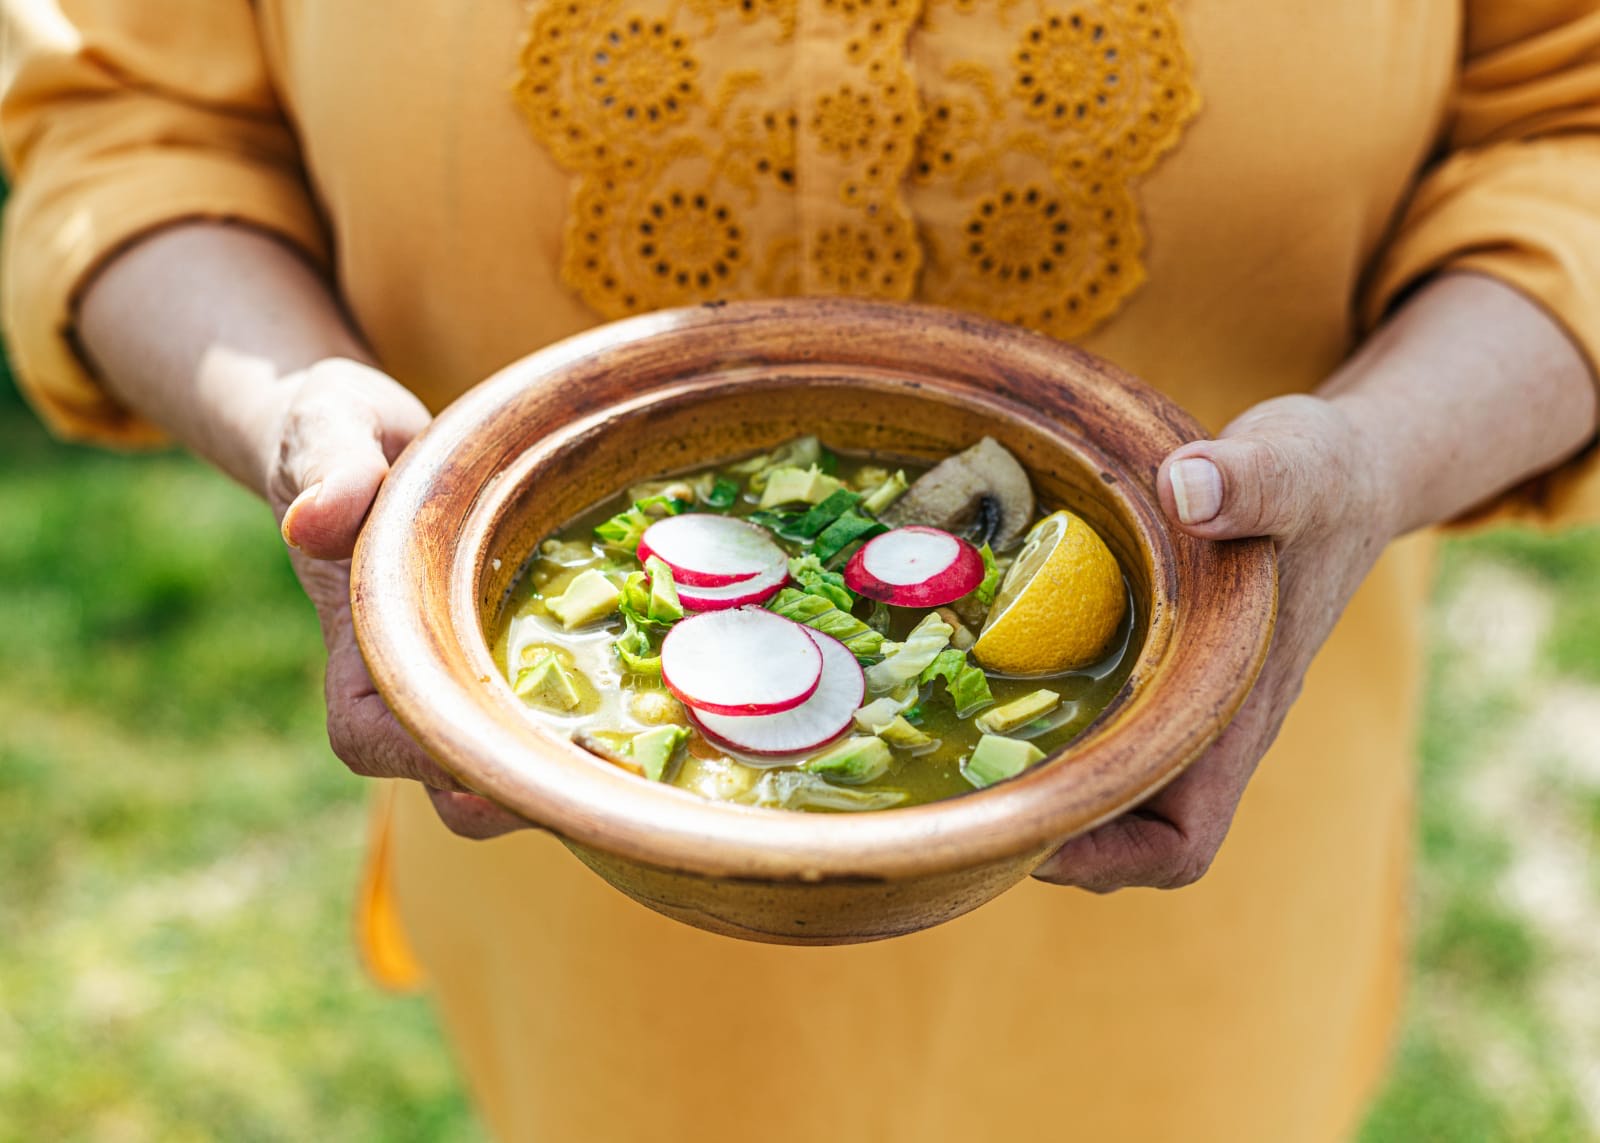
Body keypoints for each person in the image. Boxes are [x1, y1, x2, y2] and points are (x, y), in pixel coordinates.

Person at [4, 2, 1598, 1139]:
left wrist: (1378, 458)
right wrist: (302, 418)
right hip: (577, 868)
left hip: (1196, 846)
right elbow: (131, 116)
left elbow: (1569, 125)